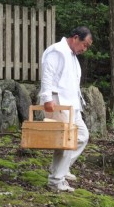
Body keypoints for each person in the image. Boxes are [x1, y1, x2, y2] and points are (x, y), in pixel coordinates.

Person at [39, 26, 93, 192]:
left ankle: (62, 168)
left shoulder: (72, 56)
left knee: (82, 135)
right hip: (58, 101)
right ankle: (56, 180)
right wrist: (47, 98)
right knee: (65, 140)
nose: (85, 49)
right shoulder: (57, 51)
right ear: (75, 37)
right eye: (85, 44)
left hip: (72, 104)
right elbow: (47, 74)